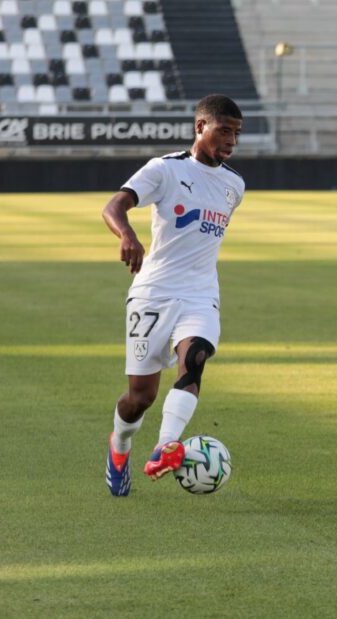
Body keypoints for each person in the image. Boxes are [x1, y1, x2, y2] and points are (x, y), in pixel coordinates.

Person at [101, 94, 246, 497]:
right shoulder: (164, 170)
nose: (232, 141)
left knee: (195, 357)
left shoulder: (235, 185)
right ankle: (120, 445)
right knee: (140, 396)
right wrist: (127, 235)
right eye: (224, 131)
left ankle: (165, 446)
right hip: (153, 292)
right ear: (201, 127)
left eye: (237, 133)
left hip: (200, 294)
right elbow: (114, 206)